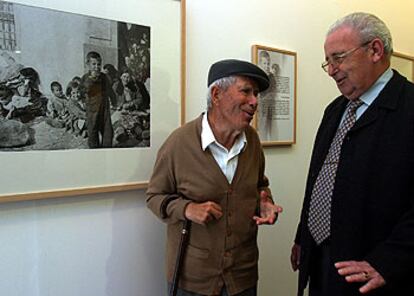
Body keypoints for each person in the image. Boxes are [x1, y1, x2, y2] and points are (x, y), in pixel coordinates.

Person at [291, 12, 414, 296]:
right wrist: (303, 238)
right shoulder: (335, 110)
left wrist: (387, 262)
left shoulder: (408, 109)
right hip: (321, 263)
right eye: (328, 62)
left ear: (375, 50)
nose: (332, 70)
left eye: (339, 57)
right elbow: (318, 180)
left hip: (377, 274)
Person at [147, 59, 283, 296]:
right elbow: (154, 197)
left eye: (256, 94)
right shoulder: (179, 143)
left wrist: (265, 202)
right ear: (217, 94)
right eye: (246, 91)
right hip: (193, 280)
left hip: (242, 277)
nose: (254, 102)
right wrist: (188, 209)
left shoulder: (252, 142)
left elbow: (261, 184)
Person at [81, 51, 114, 148]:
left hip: (104, 108)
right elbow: (82, 91)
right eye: (94, 64)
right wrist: (91, 79)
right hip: (92, 110)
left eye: (99, 64)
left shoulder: (104, 77)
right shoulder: (85, 78)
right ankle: (95, 152)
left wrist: (114, 100)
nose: (97, 67)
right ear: (88, 65)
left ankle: (107, 150)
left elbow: (110, 90)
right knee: (93, 132)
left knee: (108, 131)